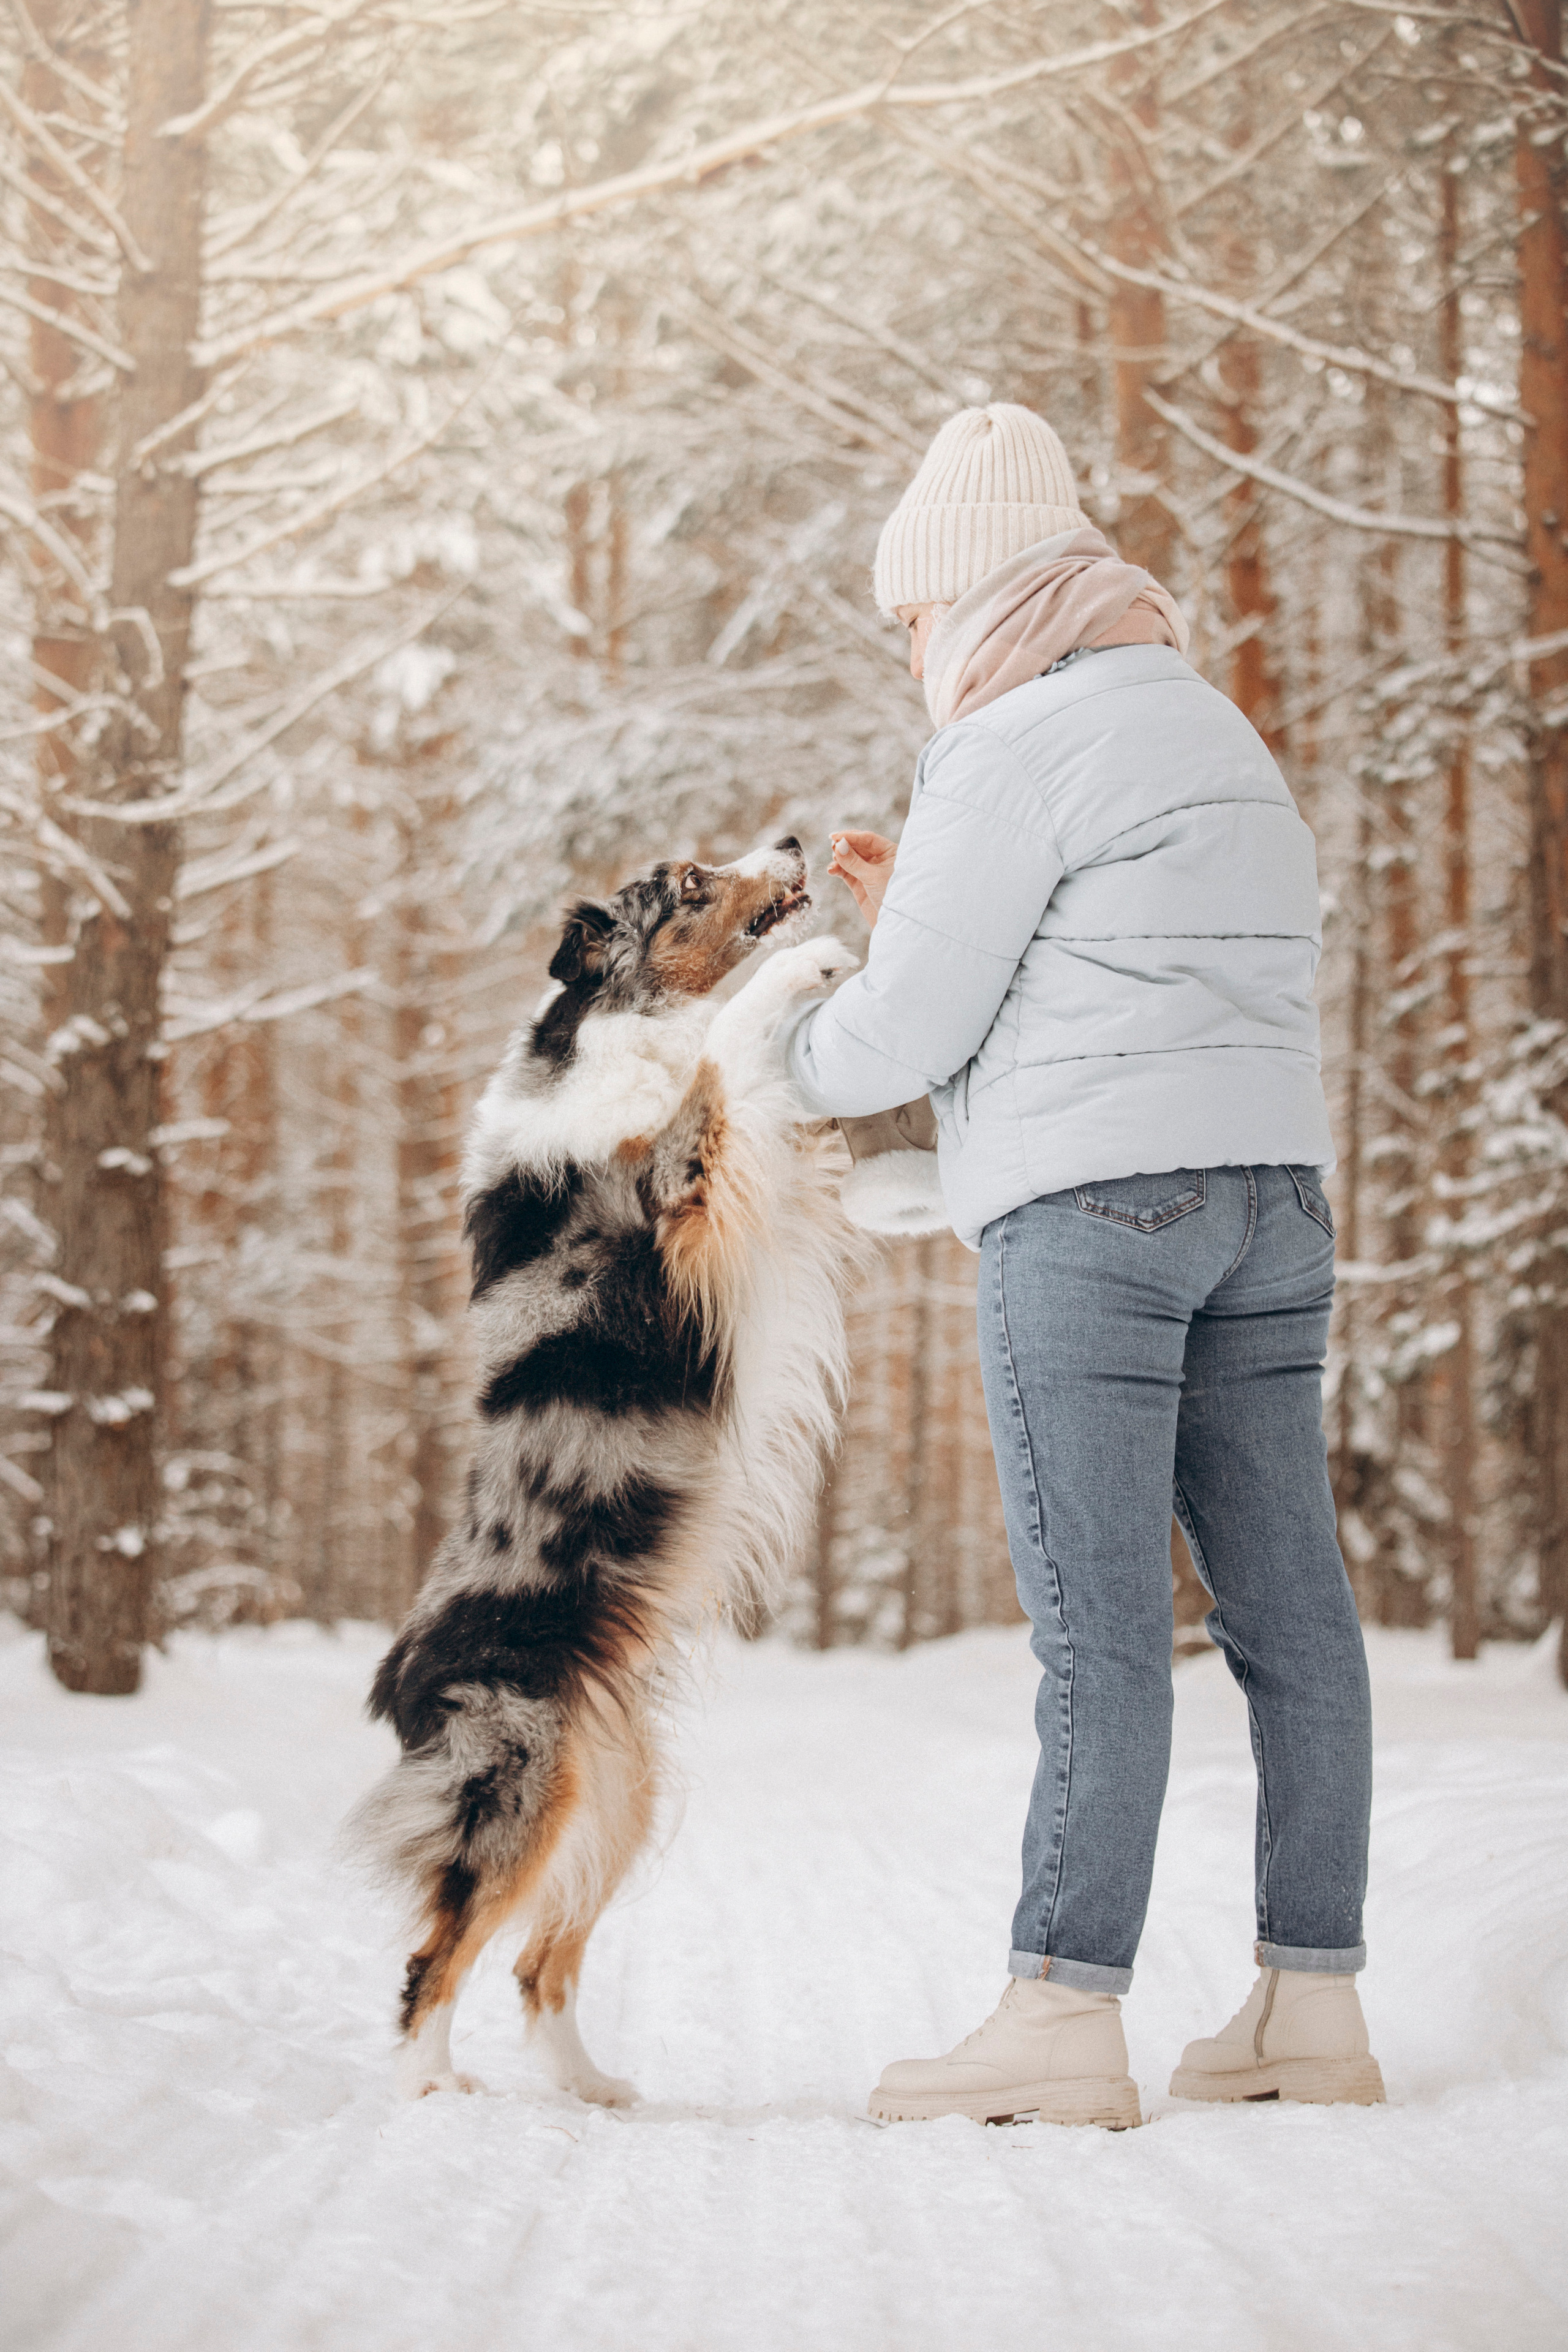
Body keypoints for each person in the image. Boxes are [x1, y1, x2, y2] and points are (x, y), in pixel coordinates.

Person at [785, 403, 1382, 2129]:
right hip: (1273, 1204)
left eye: (913, 617)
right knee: (1296, 1621)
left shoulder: (1011, 742)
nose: (911, 650)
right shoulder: (1208, 726)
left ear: (974, 595)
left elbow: (900, 1035)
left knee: (1101, 1631)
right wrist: (941, 906)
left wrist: (763, 1056)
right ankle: (1311, 2010)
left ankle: (1059, 2015)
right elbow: (1134, 973)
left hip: (1098, 1227)